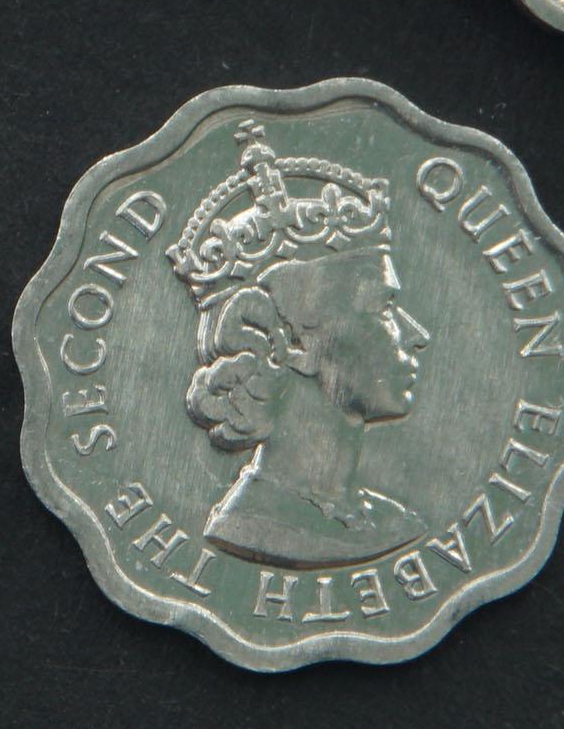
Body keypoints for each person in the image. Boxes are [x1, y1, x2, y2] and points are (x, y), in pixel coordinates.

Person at [165, 123, 432, 568]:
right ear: (291, 343)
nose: (417, 334)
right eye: (383, 308)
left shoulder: (392, 521)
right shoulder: (253, 524)